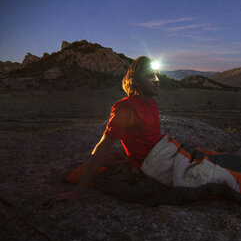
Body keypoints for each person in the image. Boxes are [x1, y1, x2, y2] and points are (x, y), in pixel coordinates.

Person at [44, 56, 162, 207]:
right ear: (136, 81)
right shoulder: (125, 107)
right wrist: (78, 191)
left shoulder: (152, 102)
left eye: (157, 74)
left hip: (161, 158)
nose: (157, 79)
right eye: (150, 76)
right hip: (151, 167)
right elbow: (104, 146)